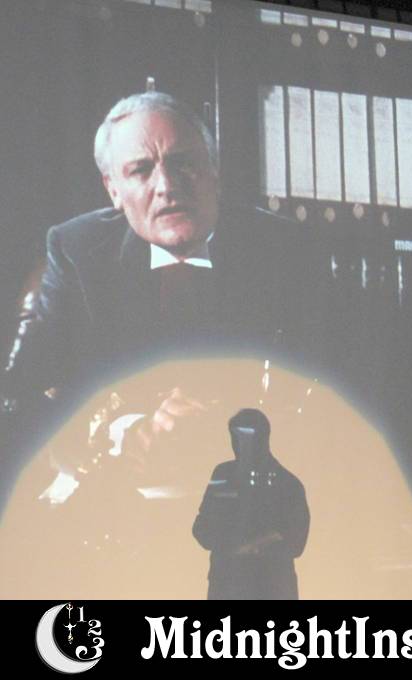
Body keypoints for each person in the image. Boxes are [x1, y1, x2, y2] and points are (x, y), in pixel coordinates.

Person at [1, 92, 300, 494]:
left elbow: (323, 383)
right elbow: (27, 393)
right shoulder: (78, 250)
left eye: (183, 163)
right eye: (141, 170)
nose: (167, 186)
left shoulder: (286, 249)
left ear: (214, 170)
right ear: (113, 190)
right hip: (119, 494)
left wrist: (224, 421)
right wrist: (127, 431)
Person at [193, 408, 310, 599]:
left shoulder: (288, 486)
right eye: (235, 438)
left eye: (243, 438)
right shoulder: (224, 475)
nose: (237, 445)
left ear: (262, 439)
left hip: (268, 591)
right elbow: (201, 529)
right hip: (229, 588)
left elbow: (296, 543)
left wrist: (239, 544)